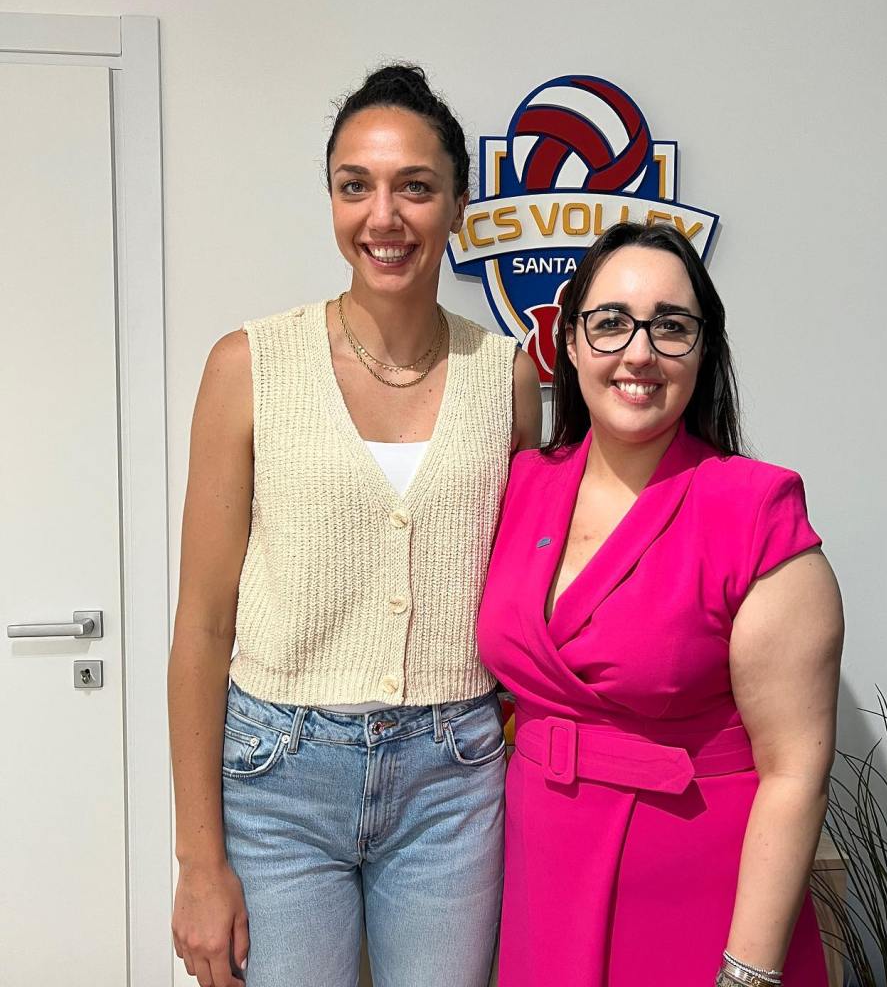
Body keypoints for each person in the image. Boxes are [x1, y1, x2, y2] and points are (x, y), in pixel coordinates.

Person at [168, 63, 541, 987]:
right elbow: (203, 626)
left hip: (454, 778)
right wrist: (198, 862)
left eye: (415, 186)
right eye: (355, 186)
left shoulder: (507, 377)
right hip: (278, 780)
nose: (384, 216)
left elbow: (520, 592)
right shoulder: (249, 366)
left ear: (458, 204)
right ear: (332, 200)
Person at [478, 221, 843, 986]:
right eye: (610, 322)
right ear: (569, 341)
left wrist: (746, 973)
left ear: (703, 352)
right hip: (541, 880)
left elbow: (794, 773)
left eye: (671, 327)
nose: (638, 352)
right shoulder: (520, 484)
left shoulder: (755, 511)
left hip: (697, 897)